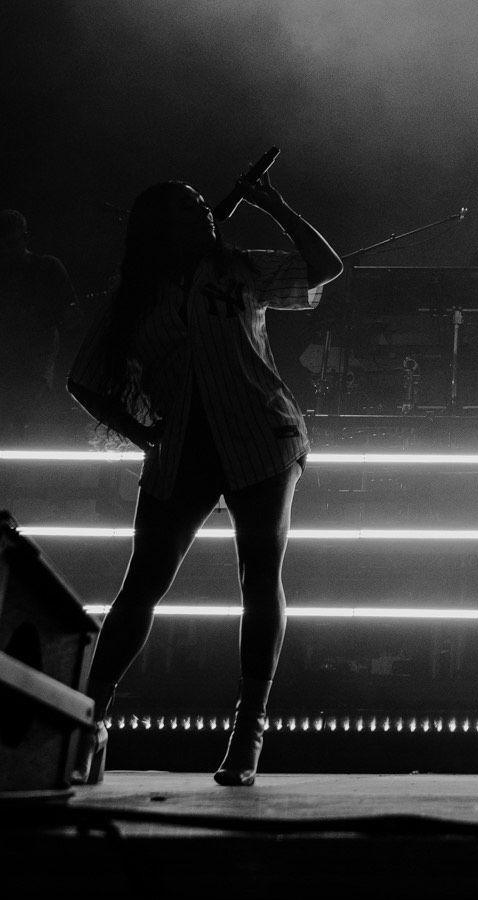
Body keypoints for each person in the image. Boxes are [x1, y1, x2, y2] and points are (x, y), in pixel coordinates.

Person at [67, 175, 342, 786]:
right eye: (188, 212)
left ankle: (248, 733)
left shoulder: (239, 270)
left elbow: (325, 266)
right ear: (160, 229)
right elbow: (84, 378)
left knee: (259, 575)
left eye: (203, 208)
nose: (206, 215)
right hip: (184, 444)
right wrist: (140, 434)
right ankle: (85, 722)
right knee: (142, 583)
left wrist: (276, 202)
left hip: (259, 435)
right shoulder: (136, 294)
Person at [0, 209, 76, 441]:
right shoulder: (47, 268)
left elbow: (71, 317)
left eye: (10, 244)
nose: (5, 251)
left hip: (34, 366)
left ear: (24, 238)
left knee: (23, 425)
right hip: (17, 366)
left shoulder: (47, 269)